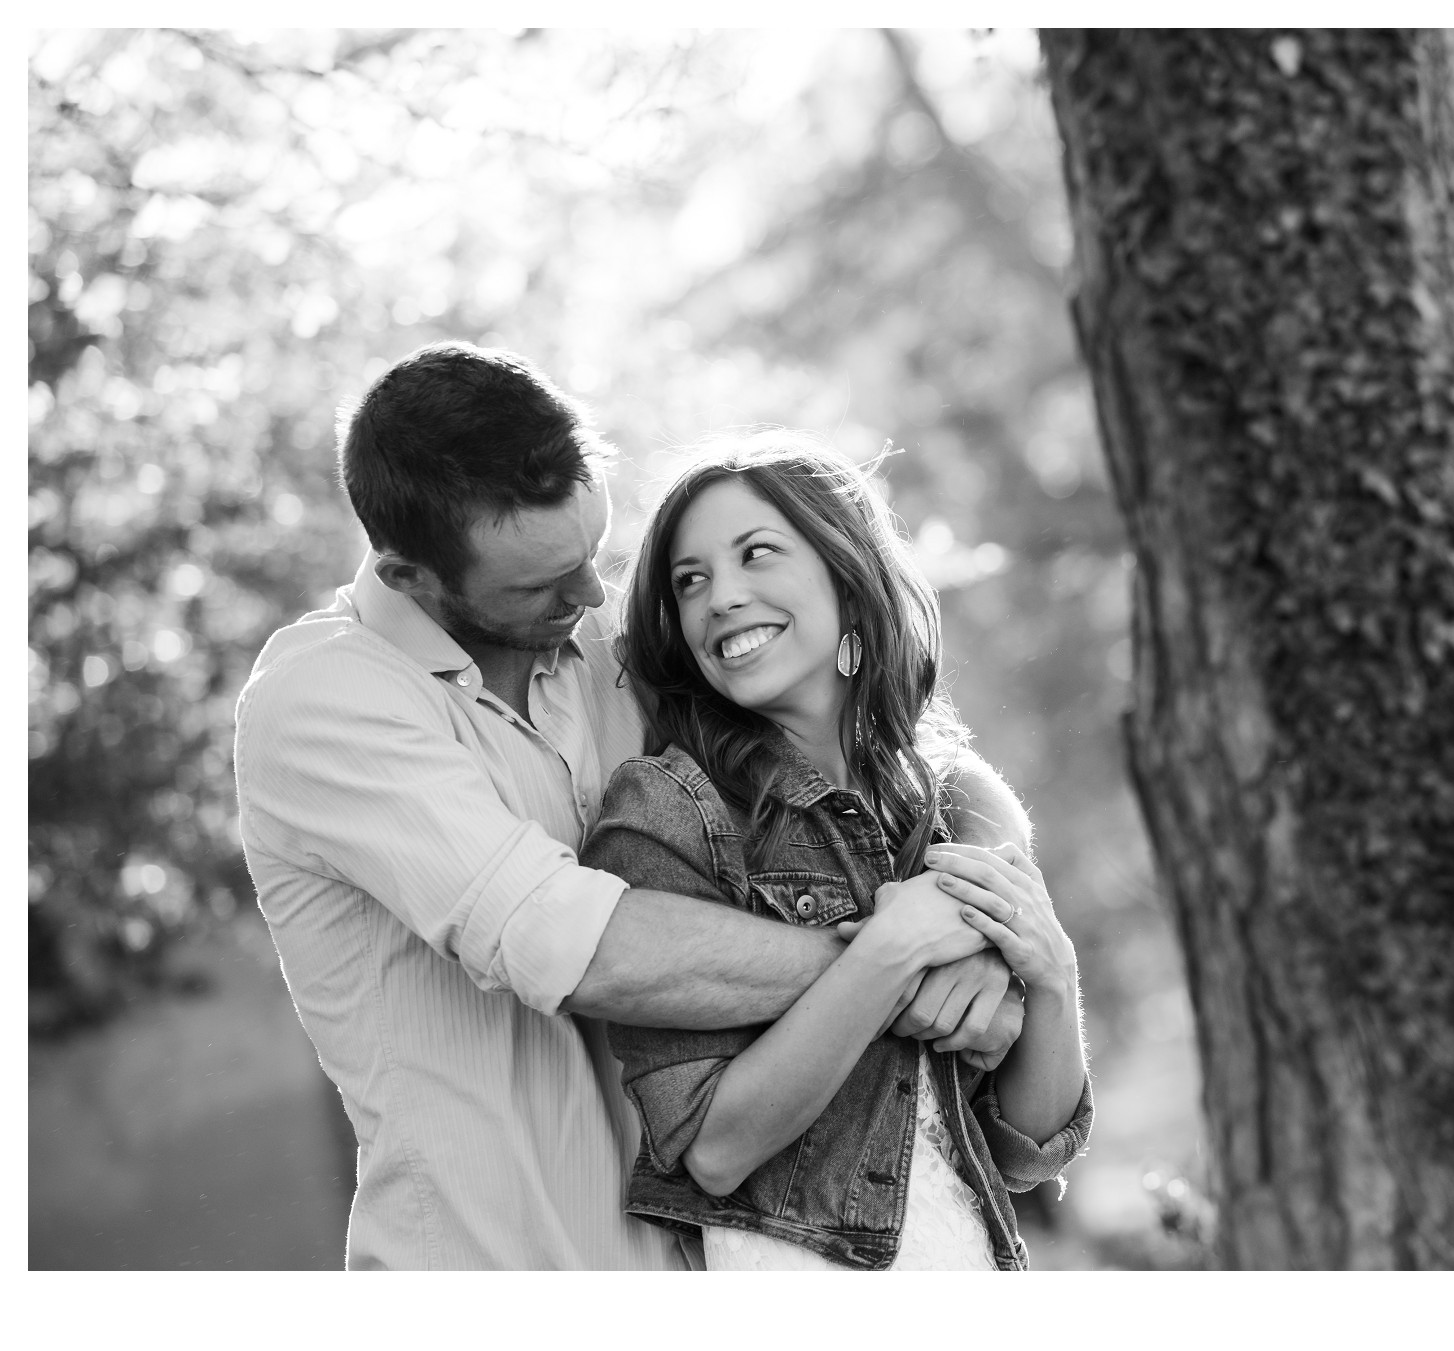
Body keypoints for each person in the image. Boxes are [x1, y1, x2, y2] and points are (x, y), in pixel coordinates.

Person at [232, 343, 1030, 1269]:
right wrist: (894, 961)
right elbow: (576, 946)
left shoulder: (617, 643)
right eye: (538, 584)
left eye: (593, 551)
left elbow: (903, 749)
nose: (590, 594)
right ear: (411, 576)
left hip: (718, 1277)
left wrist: (987, 887)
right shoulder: (326, 696)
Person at [580, 433, 1092, 1269]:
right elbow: (711, 1147)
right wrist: (892, 950)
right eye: (692, 579)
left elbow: (1026, 1149)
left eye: (757, 554)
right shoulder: (669, 811)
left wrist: (1053, 972)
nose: (721, 597)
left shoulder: (940, 807)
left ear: (846, 576)